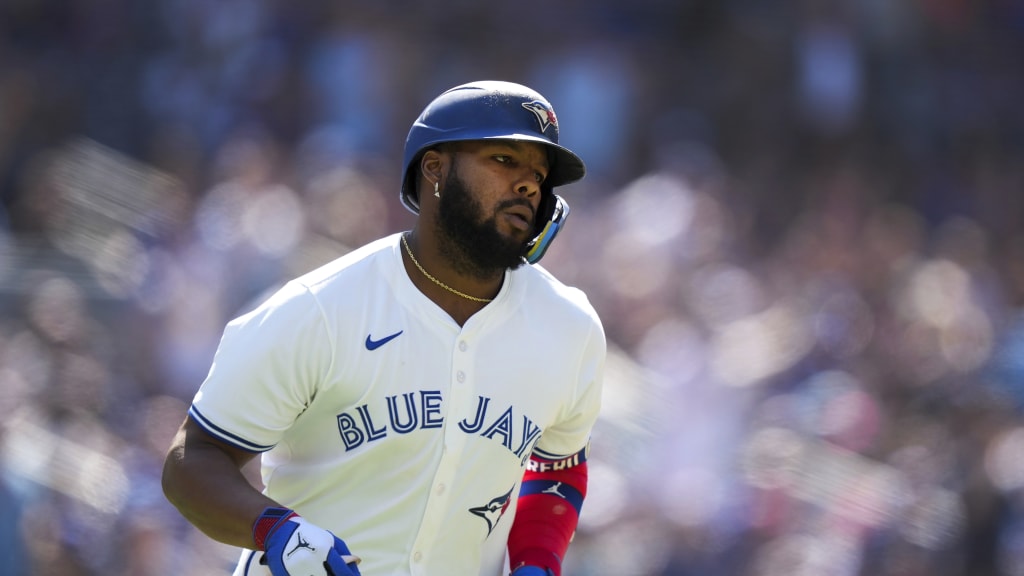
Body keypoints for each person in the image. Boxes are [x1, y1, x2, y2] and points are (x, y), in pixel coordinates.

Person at [162, 80, 606, 576]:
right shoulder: (320, 309)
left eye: (539, 175)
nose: (529, 185)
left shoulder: (570, 327)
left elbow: (557, 467)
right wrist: (276, 529)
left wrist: (537, 562)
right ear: (434, 168)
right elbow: (191, 461)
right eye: (503, 160)